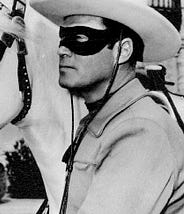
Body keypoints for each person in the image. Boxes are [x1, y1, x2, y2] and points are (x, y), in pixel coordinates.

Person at [30, 0, 184, 213]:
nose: (62, 50)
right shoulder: (106, 120)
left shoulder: (141, 132)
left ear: (122, 51)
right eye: (63, 38)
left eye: (80, 38)